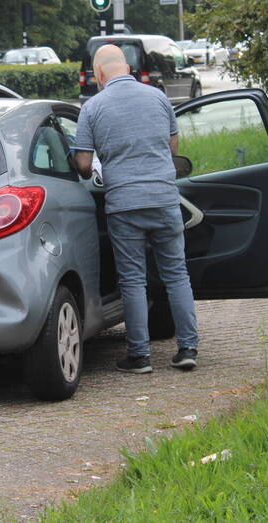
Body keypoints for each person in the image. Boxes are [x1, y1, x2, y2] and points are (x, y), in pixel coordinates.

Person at [71, 44, 199, 373]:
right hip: (163, 198)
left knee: (132, 280)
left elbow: (84, 163)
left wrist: (94, 168)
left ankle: (139, 356)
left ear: (99, 75)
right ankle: (187, 349)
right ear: (126, 68)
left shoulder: (92, 107)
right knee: (176, 275)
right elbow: (172, 148)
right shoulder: (158, 97)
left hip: (123, 204)